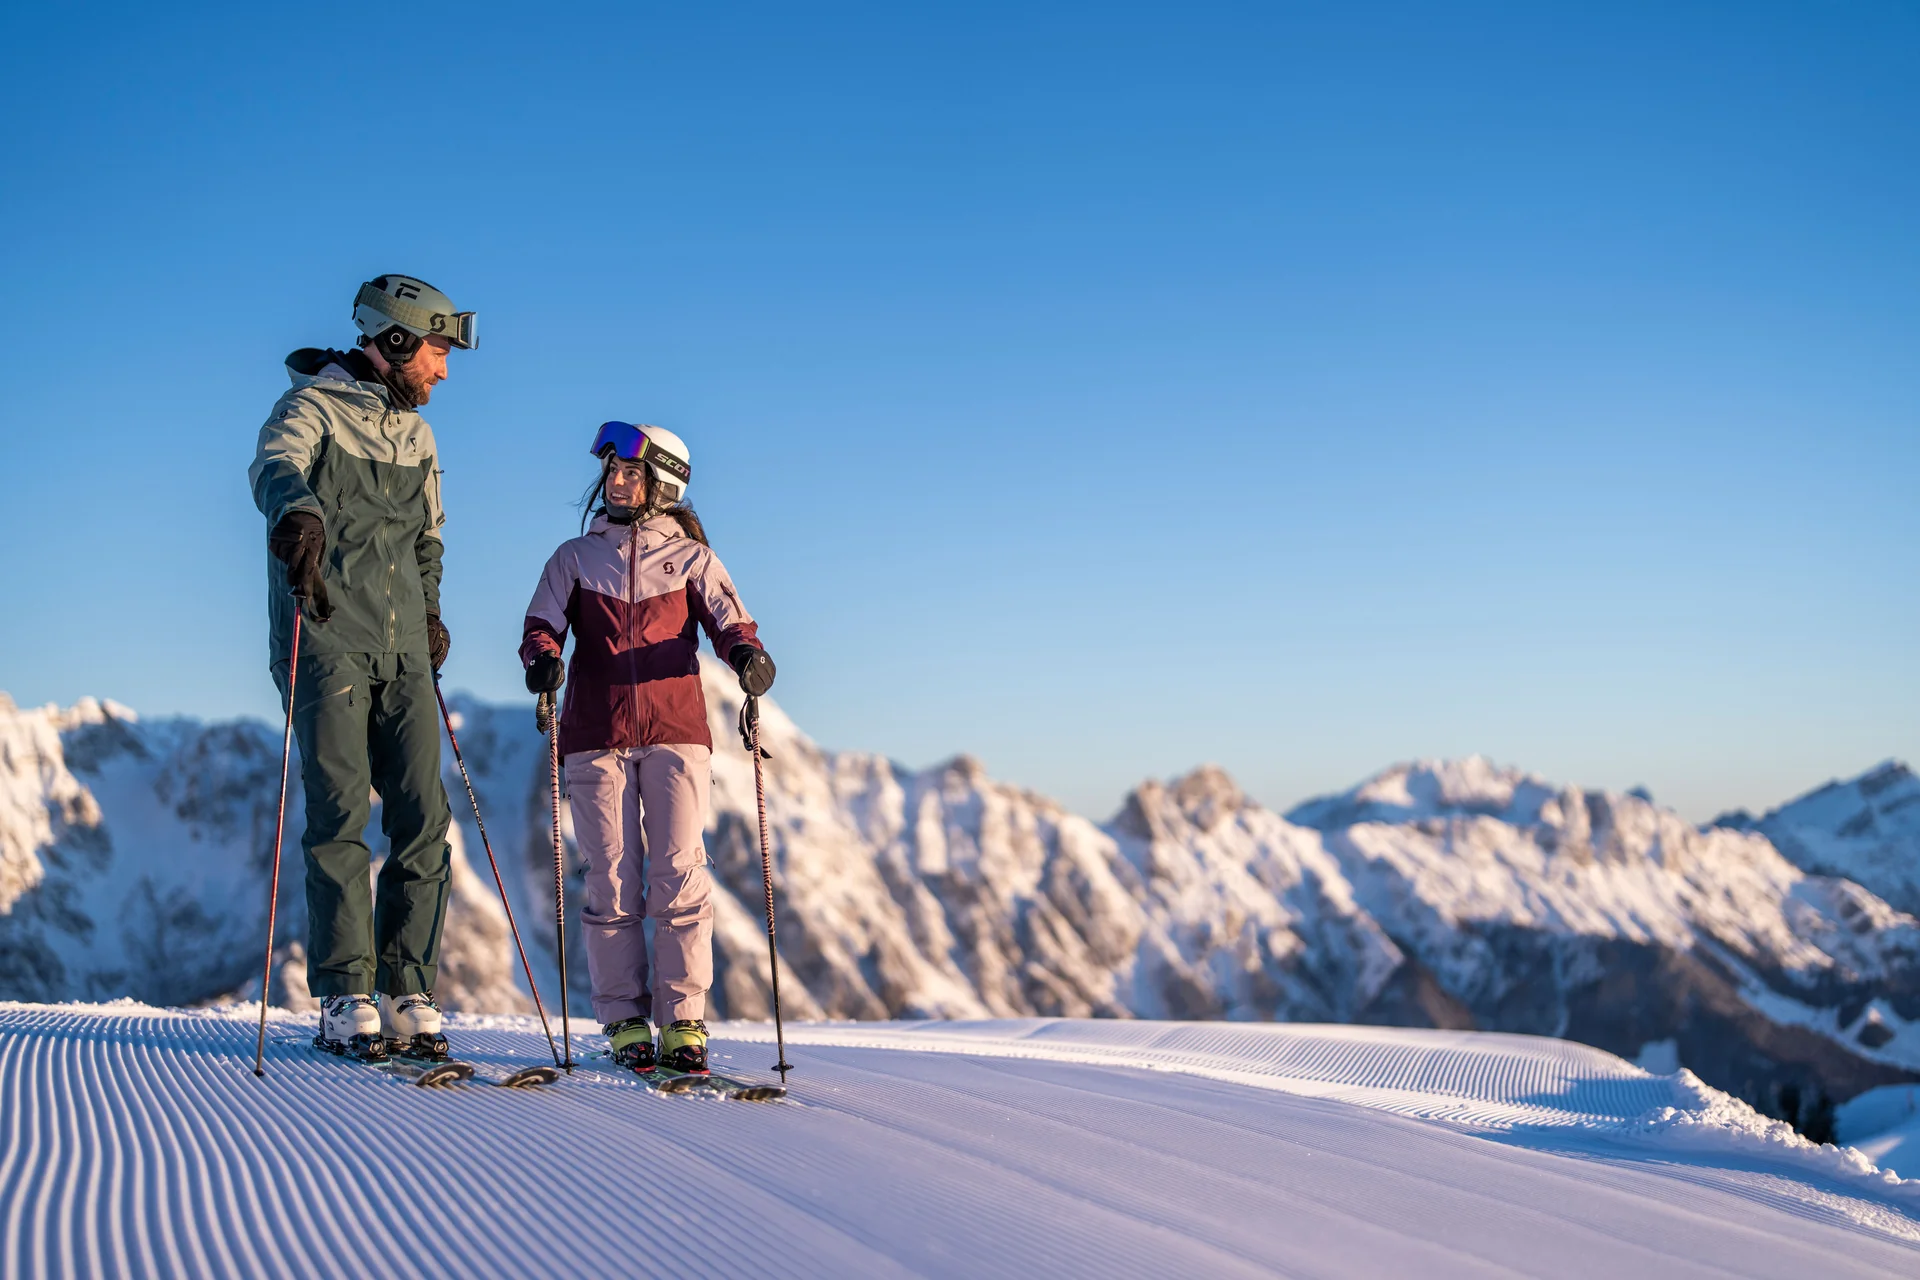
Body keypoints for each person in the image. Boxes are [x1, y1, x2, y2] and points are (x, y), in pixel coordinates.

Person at [248, 275, 477, 1061]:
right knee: (340, 814)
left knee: (423, 816)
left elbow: (429, 539)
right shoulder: (307, 409)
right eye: (439, 352)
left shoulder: (420, 438)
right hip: (327, 637)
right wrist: (300, 511)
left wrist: (431, 610)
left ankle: (406, 986)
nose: (443, 371)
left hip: (404, 644)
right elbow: (274, 471)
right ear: (399, 341)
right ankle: (346, 993)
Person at [519, 422, 776, 1073]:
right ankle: (625, 1020)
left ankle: (684, 1022)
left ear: (663, 483)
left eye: (629, 472)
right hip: (594, 738)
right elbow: (540, 625)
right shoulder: (574, 559)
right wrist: (543, 661)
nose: (615, 481)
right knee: (609, 880)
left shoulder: (692, 560)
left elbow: (730, 622)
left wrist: (748, 657)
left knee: (678, 872)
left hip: (675, 734)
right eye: (611, 470)